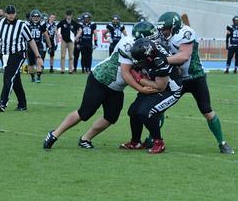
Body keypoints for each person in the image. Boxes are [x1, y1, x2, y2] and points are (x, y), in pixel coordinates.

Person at [43, 21, 160, 150]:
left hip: (116, 88)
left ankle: (85, 139)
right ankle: (54, 134)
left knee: (111, 117)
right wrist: (141, 89)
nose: (153, 41)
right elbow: (126, 74)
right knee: (84, 113)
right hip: (100, 80)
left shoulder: (147, 47)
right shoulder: (128, 44)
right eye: (151, 38)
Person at [156, 11, 234, 154]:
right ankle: (154, 138)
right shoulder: (164, 36)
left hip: (195, 77)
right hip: (177, 79)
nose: (163, 32)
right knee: (159, 108)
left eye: (165, 29)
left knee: (207, 110)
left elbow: (183, 56)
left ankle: (222, 142)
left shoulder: (186, 33)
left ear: (174, 27)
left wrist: (163, 60)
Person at [120, 38, 182, 154]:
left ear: (149, 56)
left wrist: (139, 79)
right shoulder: (148, 50)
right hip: (156, 84)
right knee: (133, 111)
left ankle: (159, 142)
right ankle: (135, 142)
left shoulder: (160, 62)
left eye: (141, 60)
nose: (138, 62)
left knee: (145, 112)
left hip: (169, 90)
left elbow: (160, 87)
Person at [0, 5, 43, 112]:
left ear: (15, 13)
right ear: (6, 13)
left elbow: (30, 40)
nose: (11, 15)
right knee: (15, 80)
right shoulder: (0, 23)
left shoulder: (22, 25)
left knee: (8, 76)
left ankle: (3, 102)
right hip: (5, 55)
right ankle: (22, 104)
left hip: (18, 54)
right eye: (9, 13)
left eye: (13, 13)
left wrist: (38, 56)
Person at [26, 9, 51, 83]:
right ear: (31, 17)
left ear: (39, 17)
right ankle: (33, 77)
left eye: (37, 17)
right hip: (30, 45)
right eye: (34, 17)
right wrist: (50, 46)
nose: (36, 18)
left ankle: (38, 77)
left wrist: (50, 46)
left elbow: (46, 36)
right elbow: (46, 36)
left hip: (38, 44)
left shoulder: (41, 24)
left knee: (39, 60)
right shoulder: (28, 24)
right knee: (31, 63)